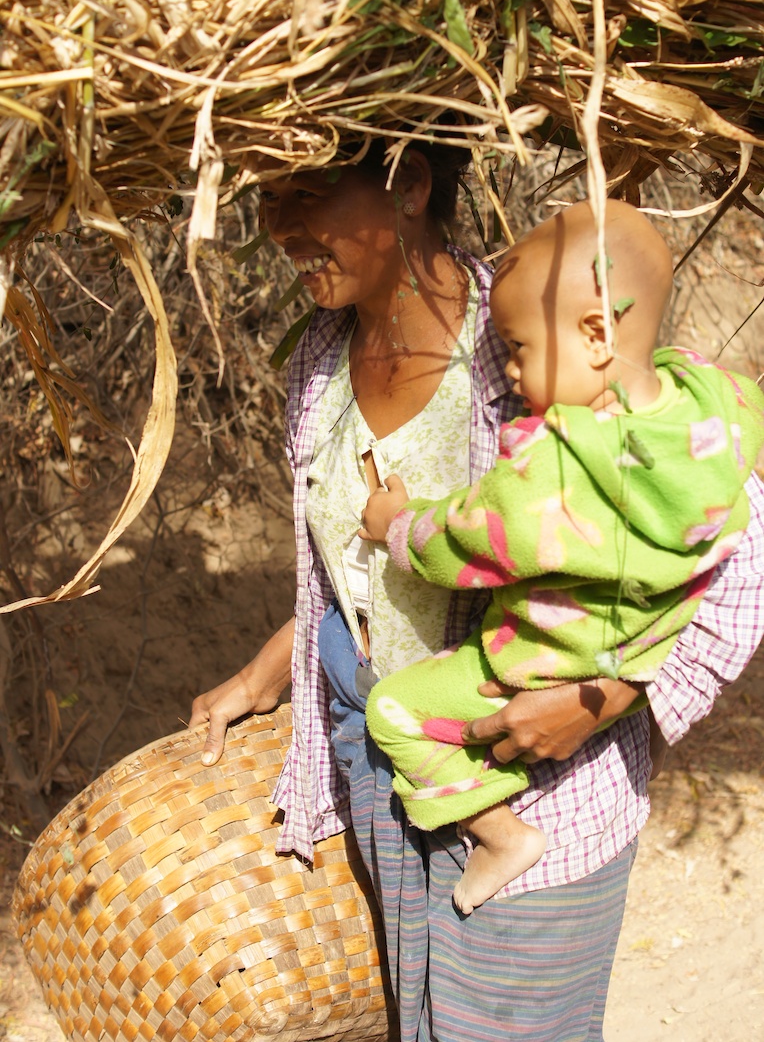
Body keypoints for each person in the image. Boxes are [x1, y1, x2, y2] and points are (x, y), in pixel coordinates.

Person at [189, 144, 764, 1042]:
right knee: (418, 1022)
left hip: (536, 777)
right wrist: (271, 671)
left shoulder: (536, 327)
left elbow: (737, 546)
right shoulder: (319, 362)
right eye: (268, 193)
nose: (280, 223)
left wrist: (607, 694)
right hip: (386, 768)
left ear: (410, 184)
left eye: (308, 190)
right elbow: (349, 566)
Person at [357, 201, 763, 916]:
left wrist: (395, 524)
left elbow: (464, 540)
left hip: (543, 666)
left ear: (597, 335)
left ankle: (500, 832)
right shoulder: (711, 402)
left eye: (519, 347)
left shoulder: (559, 465)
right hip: (637, 658)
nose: (512, 370)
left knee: (391, 712)